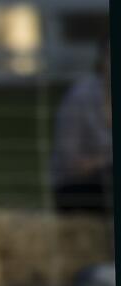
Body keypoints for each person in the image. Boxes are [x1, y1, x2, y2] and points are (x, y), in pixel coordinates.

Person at [50, 37, 112, 216]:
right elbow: (70, 163)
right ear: (102, 61)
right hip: (78, 186)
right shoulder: (80, 98)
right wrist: (106, 162)